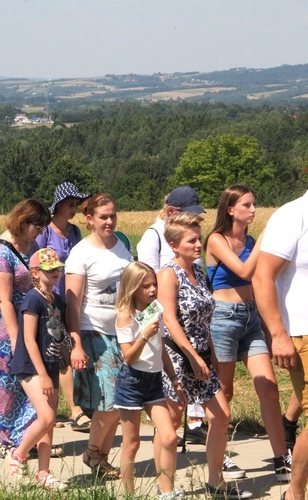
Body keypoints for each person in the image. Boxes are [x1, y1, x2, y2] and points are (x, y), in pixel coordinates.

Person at [158, 213, 251, 499]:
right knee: (171, 426)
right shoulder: (167, 274)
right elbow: (170, 321)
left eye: (200, 238)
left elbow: (205, 318)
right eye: (192, 240)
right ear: (174, 245)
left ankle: (215, 481)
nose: (199, 244)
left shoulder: (198, 271)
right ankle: (166, 489)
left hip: (202, 355)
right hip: (177, 358)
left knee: (221, 415)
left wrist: (208, 354)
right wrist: (193, 357)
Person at [205, 185, 291, 482]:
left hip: (251, 318)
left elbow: (259, 280)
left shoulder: (251, 240)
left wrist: (269, 327)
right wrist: (268, 237)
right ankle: (222, 455)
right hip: (223, 319)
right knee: (224, 392)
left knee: (268, 386)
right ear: (230, 209)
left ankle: (282, 457)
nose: (253, 210)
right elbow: (244, 270)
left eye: (254, 204)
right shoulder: (216, 240)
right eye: (247, 205)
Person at [65, 193, 132, 479]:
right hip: (94, 332)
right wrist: (76, 343)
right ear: (90, 219)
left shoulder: (123, 247)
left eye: (113, 215)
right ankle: (94, 453)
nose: (109, 221)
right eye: (103, 217)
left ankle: (98, 457)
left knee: (121, 400)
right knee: (109, 399)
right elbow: (72, 302)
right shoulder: (81, 252)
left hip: (123, 332)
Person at [137, 186, 210, 447]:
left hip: (192, 330)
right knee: (172, 413)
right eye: (186, 214)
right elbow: (149, 285)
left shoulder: (192, 250)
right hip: (169, 335)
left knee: (203, 409)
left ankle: (197, 426)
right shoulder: (153, 237)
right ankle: (165, 460)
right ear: (171, 212)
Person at [0, 198, 51, 459]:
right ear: (23, 221)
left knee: (30, 381)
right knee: (8, 384)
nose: (40, 232)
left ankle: (27, 436)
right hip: (4, 325)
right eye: (37, 225)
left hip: (30, 320)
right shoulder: (1, 251)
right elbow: (3, 300)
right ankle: (9, 440)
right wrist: (15, 339)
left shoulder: (31, 244)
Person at [253, 189, 308, 500]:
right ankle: (296, 492)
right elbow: (262, 277)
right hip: (302, 331)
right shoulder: (293, 214)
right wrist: (278, 333)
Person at [114, 262, 186, 499]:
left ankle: (166, 490)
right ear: (133, 288)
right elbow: (129, 357)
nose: (153, 290)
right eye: (146, 286)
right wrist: (144, 334)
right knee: (131, 443)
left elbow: (162, 348)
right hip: (132, 382)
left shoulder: (155, 308)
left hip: (154, 380)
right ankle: (128, 494)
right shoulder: (126, 316)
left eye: (154, 284)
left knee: (169, 436)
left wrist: (175, 379)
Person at [5, 248, 68, 490]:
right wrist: (42, 375)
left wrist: (68, 354)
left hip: (50, 364)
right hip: (31, 366)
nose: (55, 272)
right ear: (35, 272)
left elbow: (57, 335)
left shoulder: (56, 300)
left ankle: (43, 473)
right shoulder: (33, 299)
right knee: (47, 417)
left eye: (57, 268)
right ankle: (17, 454)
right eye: (49, 269)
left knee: (49, 423)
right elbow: (29, 339)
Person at [35, 181, 92, 433]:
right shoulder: (46, 232)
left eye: (76, 205)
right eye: (70, 204)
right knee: (60, 356)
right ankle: (74, 410)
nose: (73, 209)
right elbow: (36, 265)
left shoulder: (75, 232)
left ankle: (66, 408)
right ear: (57, 205)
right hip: (50, 302)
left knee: (66, 354)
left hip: (69, 302)